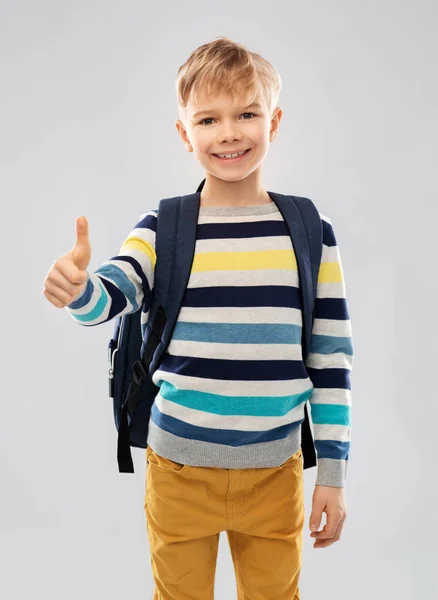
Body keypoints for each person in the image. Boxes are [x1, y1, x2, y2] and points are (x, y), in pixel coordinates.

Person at [43, 36, 354, 600]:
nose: (229, 132)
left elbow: (330, 362)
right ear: (185, 133)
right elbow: (112, 296)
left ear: (274, 121)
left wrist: (331, 473)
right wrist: (78, 289)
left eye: (247, 113)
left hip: (275, 471)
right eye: (208, 119)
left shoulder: (310, 231)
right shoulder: (165, 227)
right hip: (178, 470)